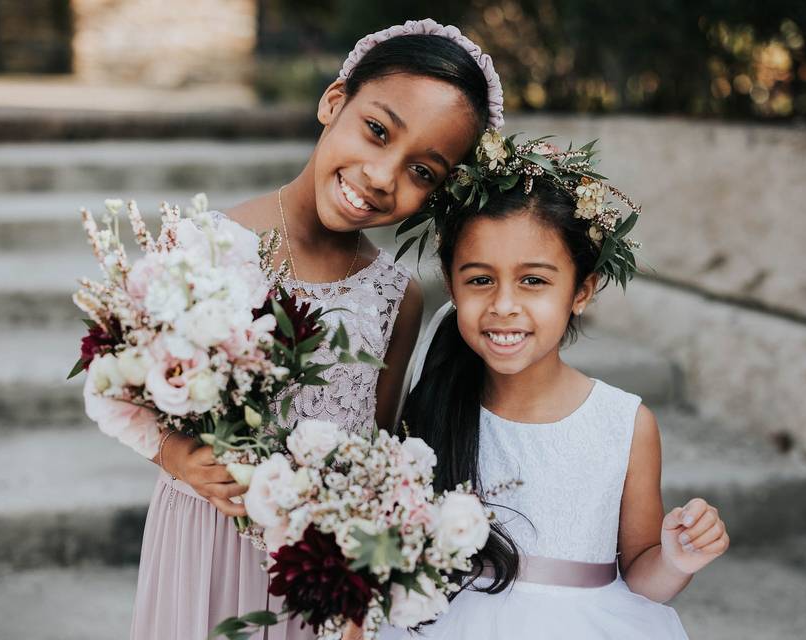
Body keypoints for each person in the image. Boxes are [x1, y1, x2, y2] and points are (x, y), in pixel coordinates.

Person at [129, 19, 504, 640]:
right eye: (377, 131)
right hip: (203, 536)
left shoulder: (393, 299)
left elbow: (377, 453)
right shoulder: (201, 245)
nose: (383, 176)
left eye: (423, 173)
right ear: (335, 101)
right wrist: (175, 454)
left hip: (316, 570)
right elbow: (122, 384)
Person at [388, 134, 729, 638]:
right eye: (480, 280)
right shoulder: (433, 405)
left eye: (534, 281)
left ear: (581, 291)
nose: (504, 304)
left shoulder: (624, 424)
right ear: (452, 281)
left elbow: (641, 574)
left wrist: (677, 558)